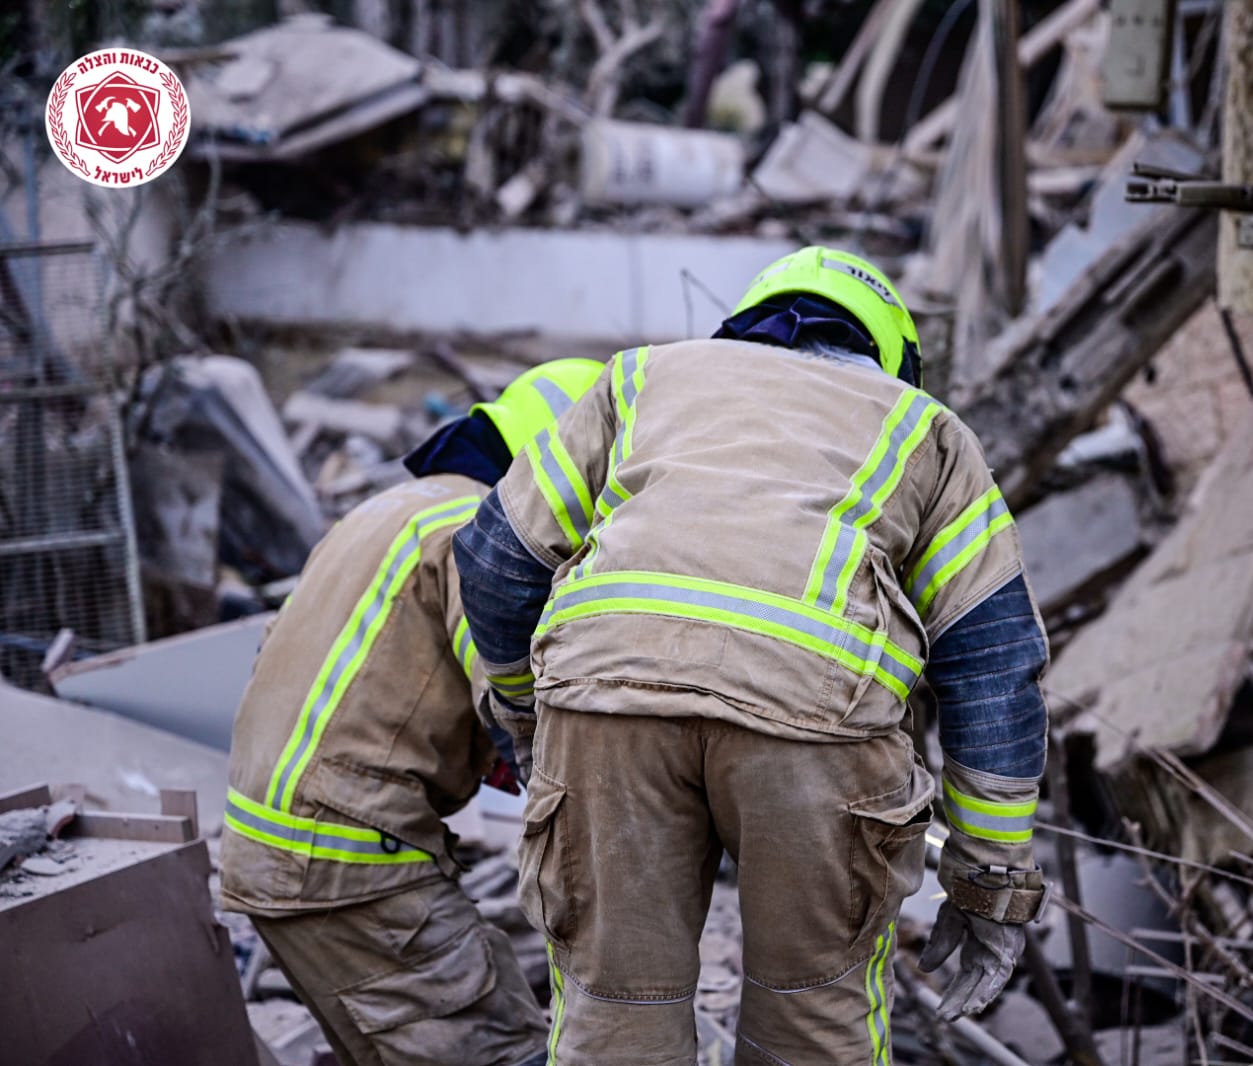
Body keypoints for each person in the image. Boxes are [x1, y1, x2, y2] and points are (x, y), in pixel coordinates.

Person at [454, 247, 1049, 1065]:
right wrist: (988, 884)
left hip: (607, 709)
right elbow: (991, 662)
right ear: (889, 355)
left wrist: (527, 720)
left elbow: (496, 560)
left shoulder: (639, 379)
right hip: (817, 725)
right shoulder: (925, 429)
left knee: (613, 1021)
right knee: (813, 1025)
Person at [221, 358, 606, 1066]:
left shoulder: (394, 507)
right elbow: (513, 703)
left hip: (273, 848)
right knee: (502, 1051)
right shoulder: (477, 535)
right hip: (347, 862)